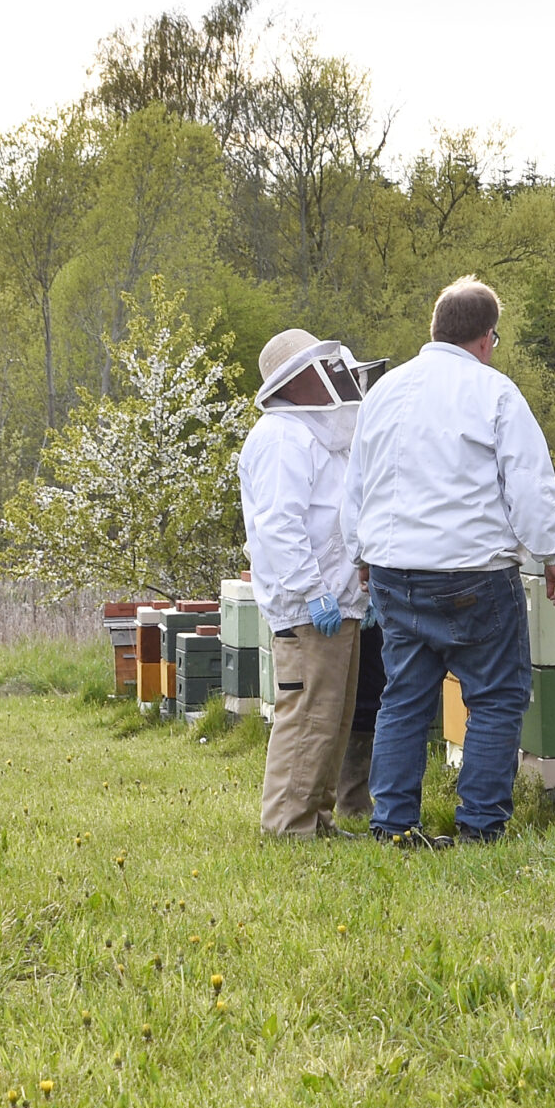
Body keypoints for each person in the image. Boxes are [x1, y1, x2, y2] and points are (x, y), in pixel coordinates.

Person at [347, 276, 555, 849]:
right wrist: (552, 555)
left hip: (395, 571)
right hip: (473, 573)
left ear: (436, 329)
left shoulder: (384, 392)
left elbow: (358, 485)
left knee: (404, 696)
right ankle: (479, 827)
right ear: (485, 338)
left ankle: (393, 825)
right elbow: (529, 485)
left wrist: (361, 554)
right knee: (495, 697)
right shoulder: (494, 392)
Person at [240, 328, 370, 840]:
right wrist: (312, 591)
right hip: (308, 607)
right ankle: (287, 826)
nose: (337, 379)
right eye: (325, 370)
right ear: (296, 380)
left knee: (332, 719)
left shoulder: (319, 438)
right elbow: (279, 525)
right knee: (308, 717)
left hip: (339, 602)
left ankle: (317, 817)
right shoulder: (280, 437)